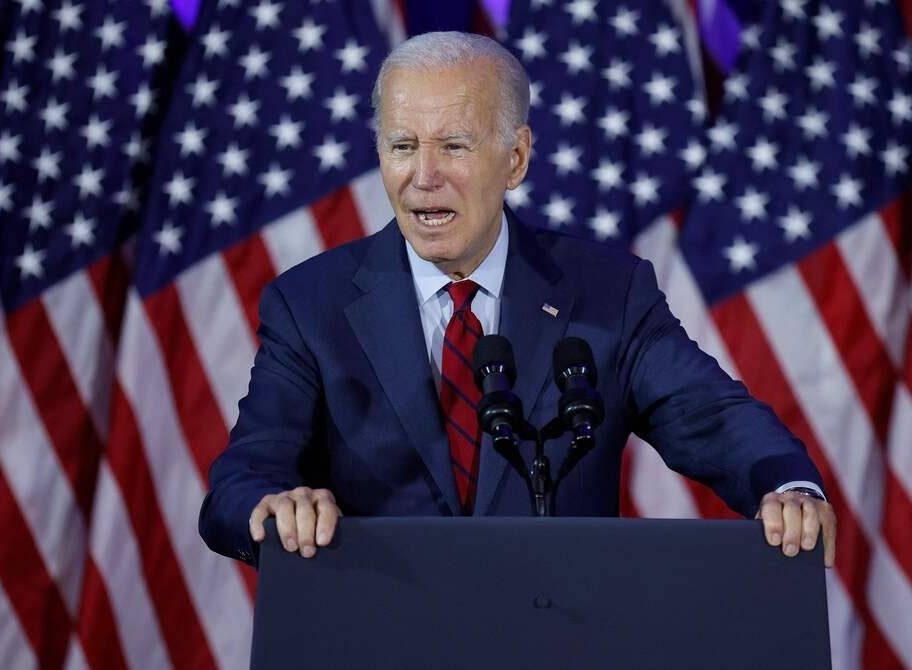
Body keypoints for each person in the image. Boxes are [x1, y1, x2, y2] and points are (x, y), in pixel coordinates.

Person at [198, 31, 836, 568]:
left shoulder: (607, 294)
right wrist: (271, 506)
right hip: (377, 639)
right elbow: (240, 481)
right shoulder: (311, 305)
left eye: (453, 145)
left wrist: (787, 485)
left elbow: (714, 418)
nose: (423, 177)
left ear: (516, 159)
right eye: (402, 146)